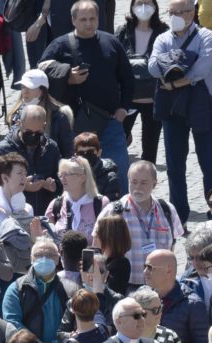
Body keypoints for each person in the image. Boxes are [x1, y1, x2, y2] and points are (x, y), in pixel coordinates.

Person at [41, 0, 134, 196]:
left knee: (119, 174)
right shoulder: (60, 45)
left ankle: (121, 219)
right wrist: (67, 76)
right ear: (73, 20)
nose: (89, 23)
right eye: (83, 19)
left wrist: (123, 109)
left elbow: (127, 78)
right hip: (75, 126)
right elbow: (41, 73)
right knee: (76, 178)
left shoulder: (111, 42)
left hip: (110, 123)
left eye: (93, 18)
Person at [148, 0, 212, 222]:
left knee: (209, 161)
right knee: (175, 165)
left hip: (201, 104)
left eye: (181, 12)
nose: (176, 16)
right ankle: (178, 217)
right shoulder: (163, 38)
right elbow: (153, 66)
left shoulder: (205, 36)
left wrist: (176, 79)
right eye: (172, 12)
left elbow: (203, 66)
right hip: (172, 108)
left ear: (192, 12)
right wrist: (179, 64)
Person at [115, 0, 168, 164]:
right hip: (127, 98)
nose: (143, 7)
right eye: (139, 3)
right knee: (117, 144)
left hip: (153, 98)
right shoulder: (123, 30)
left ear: (155, 6)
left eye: (147, 3)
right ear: (132, 6)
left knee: (150, 151)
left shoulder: (164, 32)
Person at [0, 105, 62, 213]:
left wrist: (54, 186)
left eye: (37, 133)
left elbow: (61, 181)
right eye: (28, 132)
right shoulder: (4, 149)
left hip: (44, 213)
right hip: (12, 214)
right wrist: (21, 186)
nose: (32, 136)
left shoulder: (51, 148)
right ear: (19, 124)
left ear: (44, 127)